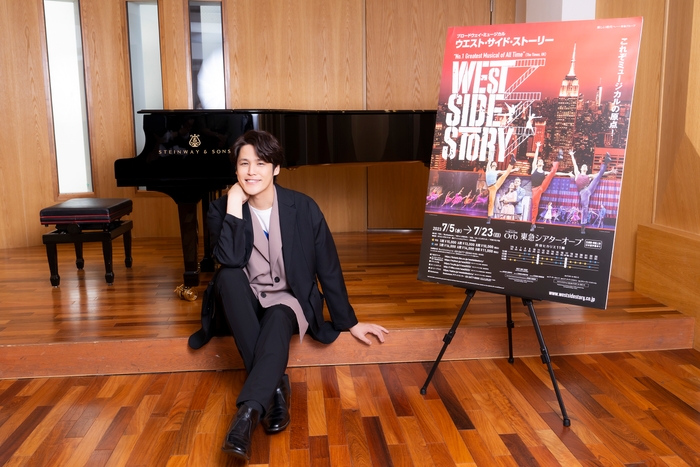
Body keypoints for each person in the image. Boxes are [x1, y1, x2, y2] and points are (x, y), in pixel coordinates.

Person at [202, 130, 388, 461]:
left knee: (277, 317)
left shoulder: (303, 207)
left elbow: (328, 265)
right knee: (227, 276)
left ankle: (246, 416)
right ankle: (275, 388)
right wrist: (233, 205)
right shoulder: (221, 209)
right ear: (235, 169)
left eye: (261, 163)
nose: (251, 172)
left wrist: (349, 322)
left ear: (276, 168)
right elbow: (228, 258)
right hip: (245, 298)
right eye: (244, 164)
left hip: (288, 298)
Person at [566, 151, 616, 233]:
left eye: (586, 166)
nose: (584, 166)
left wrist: (610, 172)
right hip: (583, 192)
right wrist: (572, 155)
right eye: (583, 166)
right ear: (581, 168)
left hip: (589, 189)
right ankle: (583, 226)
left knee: (597, 177)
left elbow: (600, 174)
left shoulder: (589, 176)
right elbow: (575, 165)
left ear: (586, 169)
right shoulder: (577, 174)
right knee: (585, 208)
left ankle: (606, 162)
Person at [529, 142, 567, 232]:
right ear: (537, 163)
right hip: (535, 189)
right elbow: (535, 158)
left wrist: (567, 174)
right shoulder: (534, 169)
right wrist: (537, 147)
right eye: (539, 161)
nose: (540, 162)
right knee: (535, 206)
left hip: (542, 186)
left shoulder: (544, 172)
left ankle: (558, 159)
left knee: (551, 173)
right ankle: (533, 223)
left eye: (541, 161)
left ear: (543, 164)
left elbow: (554, 173)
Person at [485, 154, 517, 223]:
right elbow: (489, 162)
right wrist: (490, 157)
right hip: (490, 188)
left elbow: (506, 172)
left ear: (496, 165)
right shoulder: (488, 170)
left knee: (504, 176)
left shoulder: (497, 171)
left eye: (495, 163)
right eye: (493, 163)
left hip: (495, 185)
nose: (494, 163)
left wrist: (514, 169)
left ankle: (512, 163)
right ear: (491, 165)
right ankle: (489, 216)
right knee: (491, 202)